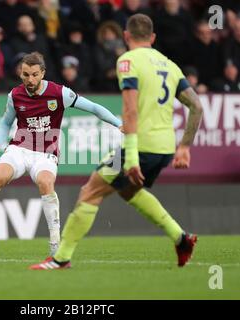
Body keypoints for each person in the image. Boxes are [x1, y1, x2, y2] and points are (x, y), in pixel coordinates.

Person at [30, 14, 203, 270]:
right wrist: (185, 147)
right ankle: (181, 238)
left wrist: (130, 157)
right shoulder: (170, 65)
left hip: (140, 147)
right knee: (129, 191)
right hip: (166, 148)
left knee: (90, 192)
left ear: (125, 36)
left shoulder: (127, 61)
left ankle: (61, 258)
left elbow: (130, 111)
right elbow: (197, 107)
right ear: (153, 38)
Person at [0, 52, 122, 256]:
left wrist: (119, 123)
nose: (30, 80)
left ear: (42, 73)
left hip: (46, 153)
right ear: (20, 74)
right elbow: (6, 122)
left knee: (45, 183)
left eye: (34, 74)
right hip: (19, 148)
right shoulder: (15, 95)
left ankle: (54, 243)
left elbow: (93, 108)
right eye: (25, 75)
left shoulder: (60, 93)